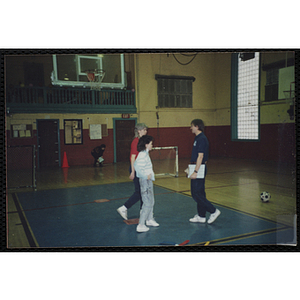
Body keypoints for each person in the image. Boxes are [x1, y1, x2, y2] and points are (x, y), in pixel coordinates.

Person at [186, 119, 221, 224]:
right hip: (196, 167)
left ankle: (213, 211)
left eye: (192, 126)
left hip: (199, 168)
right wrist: (190, 168)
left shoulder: (201, 139)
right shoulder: (198, 138)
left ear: (197, 126)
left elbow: (200, 156)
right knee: (200, 193)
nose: (190, 128)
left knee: (196, 194)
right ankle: (201, 216)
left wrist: (196, 171)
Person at [117, 123, 148, 220]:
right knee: (139, 192)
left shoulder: (142, 141)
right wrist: (133, 172)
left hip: (141, 169)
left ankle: (143, 212)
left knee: (143, 192)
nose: (146, 131)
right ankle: (124, 208)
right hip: (136, 168)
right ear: (139, 131)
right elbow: (133, 157)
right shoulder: (136, 142)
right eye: (144, 129)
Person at [134, 135, 159, 232]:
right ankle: (141, 224)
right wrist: (145, 175)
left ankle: (149, 219)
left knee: (151, 201)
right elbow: (137, 167)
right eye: (151, 144)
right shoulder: (142, 155)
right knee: (147, 203)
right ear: (146, 144)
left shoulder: (145, 153)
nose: (152, 145)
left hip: (148, 181)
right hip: (145, 181)